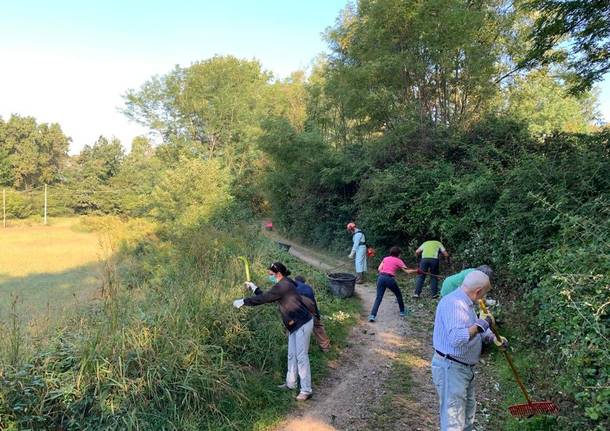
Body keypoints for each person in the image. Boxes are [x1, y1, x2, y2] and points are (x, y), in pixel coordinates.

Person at [431, 270, 508, 431]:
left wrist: (494, 338)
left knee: (467, 416)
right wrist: (481, 325)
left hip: (465, 369)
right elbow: (457, 338)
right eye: (484, 294)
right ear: (478, 291)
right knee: (453, 421)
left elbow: (473, 326)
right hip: (451, 368)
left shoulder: (467, 303)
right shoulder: (453, 304)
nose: (484, 298)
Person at [233, 262, 314, 401]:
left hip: (302, 323)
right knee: (291, 355)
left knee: (301, 357)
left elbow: (265, 298)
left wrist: (244, 301)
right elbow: (269, 296)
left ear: (278, 274)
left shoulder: (284, 285)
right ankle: (291, 384)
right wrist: (254, 288)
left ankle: (306, 390)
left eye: (271, 274)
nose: (269, 276)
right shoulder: (284, 283)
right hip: (294, 324)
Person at [368, 246, 418, 322]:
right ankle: (402, 311)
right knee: (398, 294)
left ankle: (372, 315)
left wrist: (385, 272)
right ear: (398, 254)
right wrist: (416, 270)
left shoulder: (385, 258)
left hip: (381, 278)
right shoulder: (399, 260)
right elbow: (407, 271)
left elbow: (379, 269)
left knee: (378, 298)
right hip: (389, 279)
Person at [294, 275, 331, 352]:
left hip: (297, 312)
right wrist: (317, 316)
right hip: (310, 311)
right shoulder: (308, 288)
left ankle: (296, 348)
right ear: (304, 282)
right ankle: (325, 347)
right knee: (318, 326)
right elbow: (314, 304)